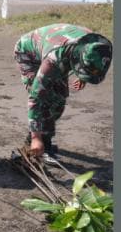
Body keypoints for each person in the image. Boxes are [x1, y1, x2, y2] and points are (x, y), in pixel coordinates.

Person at [14, 24, 113, 158]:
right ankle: (35, 141)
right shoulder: (54, 59)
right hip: (29, 53)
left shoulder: (95, 46)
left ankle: (45, 137)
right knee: (46, 98)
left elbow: (90, 63)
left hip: (54, 48)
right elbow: (35, 98)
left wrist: (82, 76)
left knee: (59, 99)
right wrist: (36, 137)